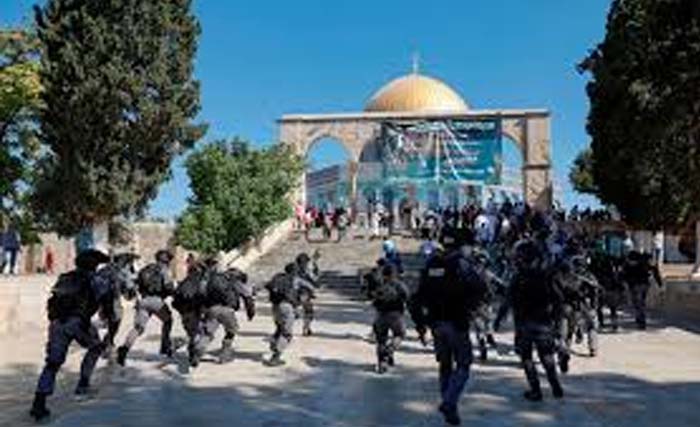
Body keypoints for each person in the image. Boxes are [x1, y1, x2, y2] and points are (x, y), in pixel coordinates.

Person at [409, 228, 488, 426]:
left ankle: (448, 404)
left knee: (445, 365)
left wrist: (420, 326)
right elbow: (480, 288)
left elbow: (416, 298)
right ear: (461, 245)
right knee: (463, 364)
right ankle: (449, 401)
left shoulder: (432, 264)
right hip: (457, 323)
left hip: (436, 324)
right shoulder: (462, 264)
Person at [30, 249, 111, 421]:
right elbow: (108, 306)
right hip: (79, 323)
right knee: (96, 346)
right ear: (95, 265)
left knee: (52, 363)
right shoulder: (97, 280)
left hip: (57, 324)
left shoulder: (64, 277)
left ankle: (39, 403)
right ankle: (83, 383)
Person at [509, 239, 564, 402]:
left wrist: (500, 320)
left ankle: (536, 390)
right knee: (546, 356)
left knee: (526, 357)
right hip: (544, 322)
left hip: (524, 324)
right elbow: (558, 299)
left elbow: (509, 301)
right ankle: (556, 387)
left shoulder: (518, 278)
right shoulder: (546, 276)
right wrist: (556, 320)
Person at [116, 250, 176, 366]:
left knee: (138, 328)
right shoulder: (164, 270)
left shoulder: (146, 269)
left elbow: (136, 284)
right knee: (168, 321)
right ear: (166, 260)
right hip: (157, 301)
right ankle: (165, 347)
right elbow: (169, 287)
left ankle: (124, 349)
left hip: (143, 301)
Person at [194, 267, 256, 365]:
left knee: (207, 333)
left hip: (212, 309)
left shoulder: (213, 280)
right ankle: (224, 355)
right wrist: (251, 313)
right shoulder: (235, 282)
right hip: (228, 311)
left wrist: (203, 309)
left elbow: (202, 293)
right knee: (231, 331)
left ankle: (198, 350)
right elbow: (247, 297)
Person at [370, 263, 409, 374]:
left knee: (381, 339)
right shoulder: (398, 284)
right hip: (395, 315)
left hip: (380, 315)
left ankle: (382, 362)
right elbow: (407, 296)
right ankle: (390, 350)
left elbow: (372, 297)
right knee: (400, 335)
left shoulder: (380, 284)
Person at [265, 266, 301, 366]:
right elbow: (292, 295)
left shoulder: (277, 278)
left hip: (275, 307)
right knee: (287, 333)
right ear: (294, 271)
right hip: (286, 307)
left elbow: (267, 285)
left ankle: (273, 342)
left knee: (279, 328)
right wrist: (296, 307)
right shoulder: (292, 280)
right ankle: (275, 357)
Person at [622, 250, 663, 330]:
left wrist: (660, 284)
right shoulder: (643, 262)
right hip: (641, 284)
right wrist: (659, 284)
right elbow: (655, 272)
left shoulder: (640, 262)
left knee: (638, 302)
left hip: (638, 284)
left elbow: (624, 273)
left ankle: (641, 321)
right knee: (639, 302)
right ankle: (640, 318)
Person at [295, 252, 321, 336]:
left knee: (304, 310)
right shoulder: (307, 271)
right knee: (308, 311)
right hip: (305, 293)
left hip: (294, 293)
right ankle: (306, 328)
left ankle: (306, 327)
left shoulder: (294, 270)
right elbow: (315, 279)